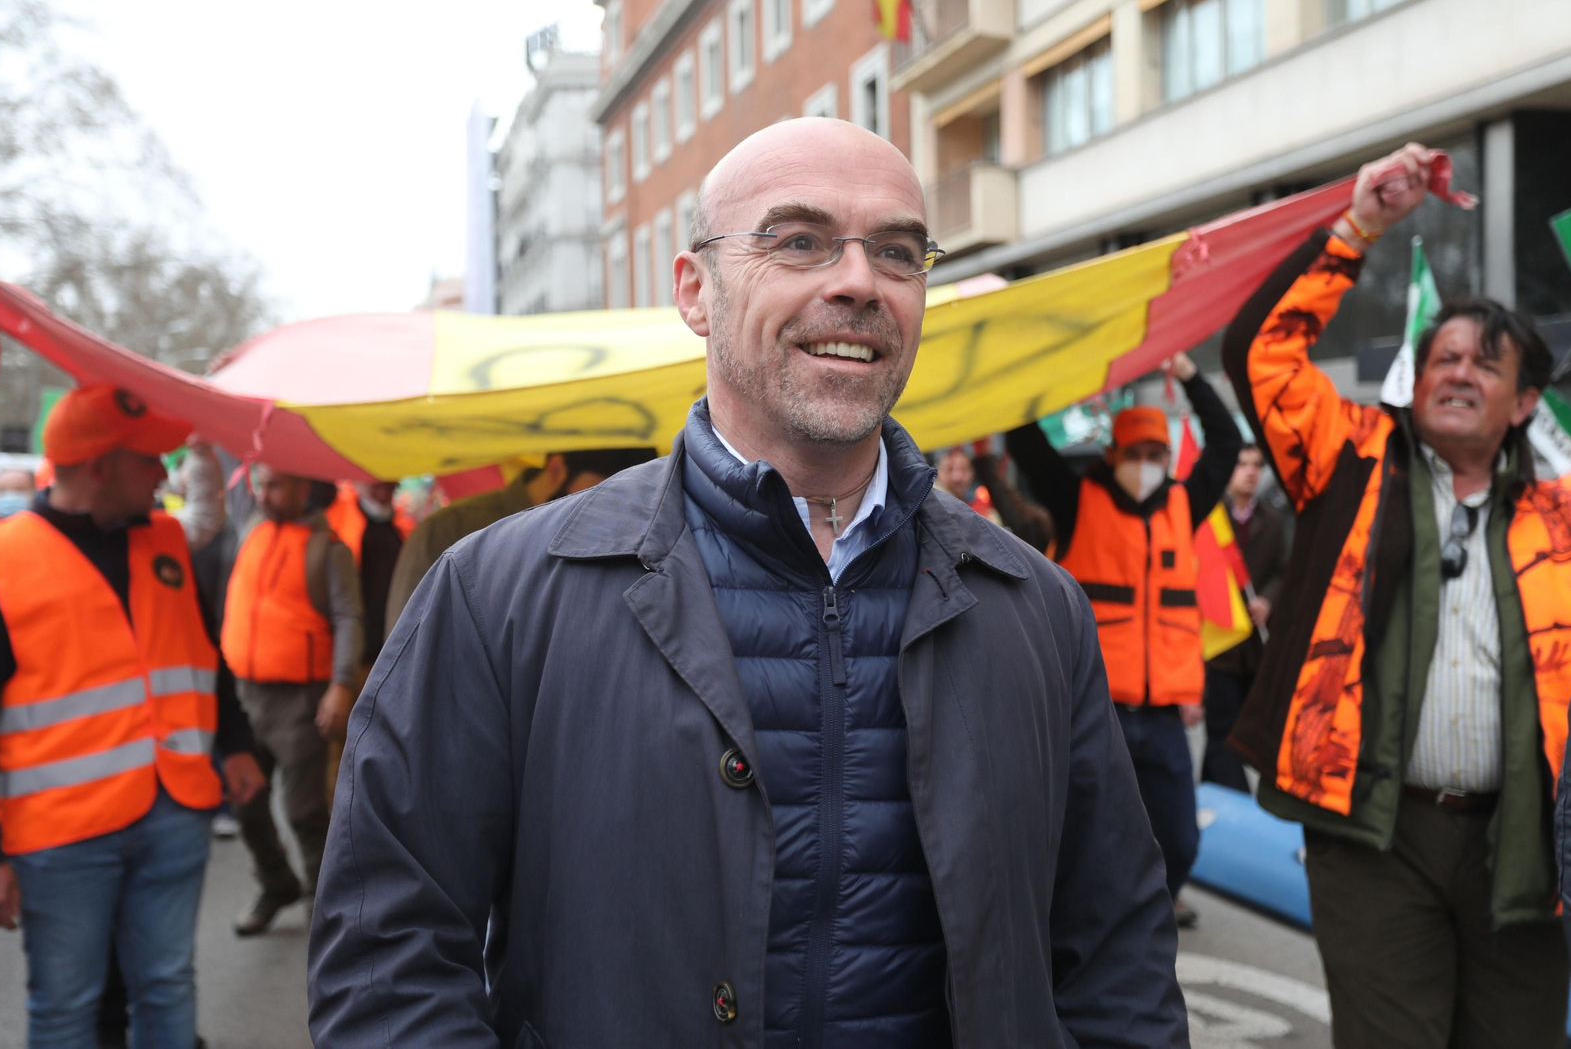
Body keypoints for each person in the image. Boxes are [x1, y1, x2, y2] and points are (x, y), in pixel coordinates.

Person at [308, 117, 1187, 1047]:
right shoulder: (500, 598)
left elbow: (1118, 958)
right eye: (799, 241)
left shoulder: (1036, 609)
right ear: (696, 291)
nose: (857, 281)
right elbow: (387, 961)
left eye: (896, 251)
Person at [1223, 143, 1571, 1049]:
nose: (1459, 372)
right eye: (1444, 357)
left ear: (1524, 402)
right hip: (1371, 840)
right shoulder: (1349, 463)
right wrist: (1363, 225)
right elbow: (1259, 350)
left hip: (1527, 849)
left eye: (1486, 363)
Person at [0, 384, 264, 1048]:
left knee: (168, 987)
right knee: (64, 1008)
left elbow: (203, 656)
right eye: (150, 461)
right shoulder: (4, 560)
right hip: (62, 836)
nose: (164, 475)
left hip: (174, 813)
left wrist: (235, 744)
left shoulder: (165, 538)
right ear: (100, 466)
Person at [1003, 352, 1243, 926]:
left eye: (1155, 455)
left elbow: (1227, 441)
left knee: (1179, 840)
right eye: (1133, 454)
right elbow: (1025, 438)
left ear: (1168, 458)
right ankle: (1084, 924)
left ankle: (1147, 912)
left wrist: (1186, 371)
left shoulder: (1186, 504)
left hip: (1162, 718)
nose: (1145, 465)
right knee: (1079, 834)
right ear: (1112, 455)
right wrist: (1064, 368)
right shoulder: (1077, 499)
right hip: (1094, 709)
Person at [222, 464, 362, 937]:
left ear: (304, 485)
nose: (264, 494)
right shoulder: (252, 529)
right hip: (246, 696)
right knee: (246, 800)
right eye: (260, 484)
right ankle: (276, 882)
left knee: (304, 812)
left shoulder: (329, 548)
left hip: (300, 702)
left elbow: (348, 617)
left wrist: (340, 685)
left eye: (276, 485)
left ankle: (325, 914)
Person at [382, 449, 656, 630]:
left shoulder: (621, 541)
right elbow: (404, 648)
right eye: (604, 490)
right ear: (557, 469)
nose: (614, 509)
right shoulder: (449, 530)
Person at [1201, 443, 1288, 791]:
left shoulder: (1272, 519)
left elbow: (1283, 570)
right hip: (1218, 642)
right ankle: (1225, 796)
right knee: (1221, 728)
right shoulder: (1209, 518)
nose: (1250, 471)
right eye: (1242, 464)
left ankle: (1223, 794)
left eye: (1257, 464)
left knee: (1253, 726)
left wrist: (1267, 600)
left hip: (1255, 646)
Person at [324, 481, 413, 667]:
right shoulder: (339, 516)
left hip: (392, 640)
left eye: (390, 486)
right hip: (355, 641)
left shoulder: (403, 527)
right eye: (376, 485)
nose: (383, 492)